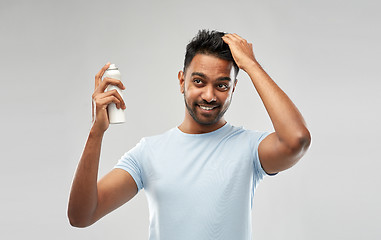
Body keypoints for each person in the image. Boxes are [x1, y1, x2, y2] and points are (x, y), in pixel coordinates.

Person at [68, 30, 311, 239]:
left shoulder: (250, 148)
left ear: (234, 87)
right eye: (198, 81)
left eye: (222, 85)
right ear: (181, 81)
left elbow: (297, 139)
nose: (209, 95)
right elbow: (81, 215)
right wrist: (96, 133)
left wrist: (250, 64)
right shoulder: (148, 152)